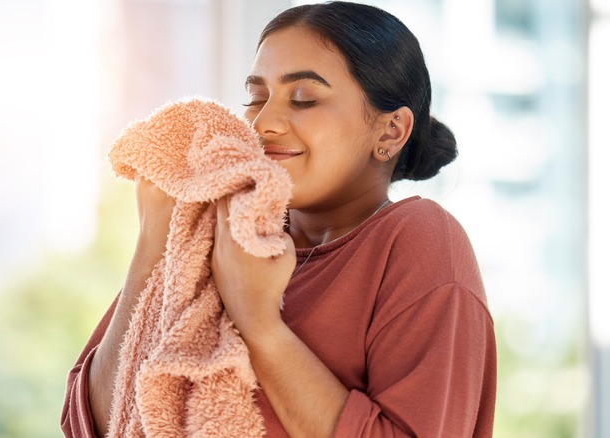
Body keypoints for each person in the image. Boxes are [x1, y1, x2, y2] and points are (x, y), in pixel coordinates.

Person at [62, 2, 496, 437]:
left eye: (303, 99)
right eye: (255, 98)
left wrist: (260, 324)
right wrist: (153, 247)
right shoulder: (219, 230)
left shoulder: (419, 238)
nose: (264, 122)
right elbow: (93, 424)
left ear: (390, 131)